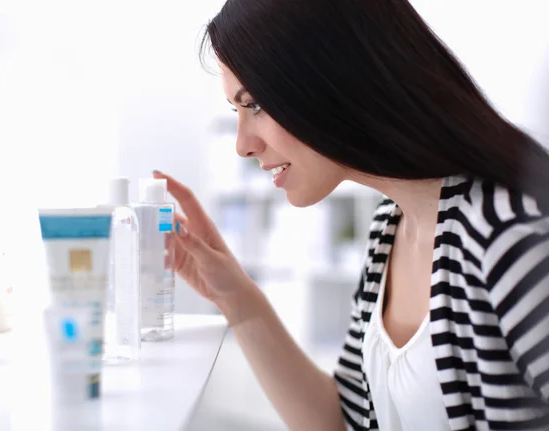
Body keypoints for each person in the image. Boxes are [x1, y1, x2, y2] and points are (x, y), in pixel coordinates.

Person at [154, 0, 549, 429]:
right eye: (237, 111)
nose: (243, 145)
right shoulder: (391, 225)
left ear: (333, 79)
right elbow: (341, 422)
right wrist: (236, 300)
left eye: (257, 105)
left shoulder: (510, 235)